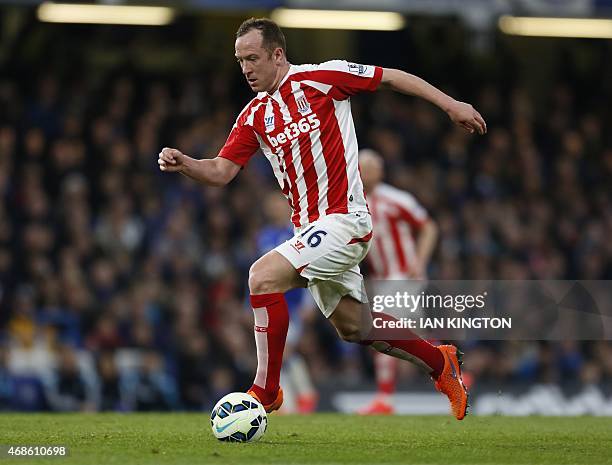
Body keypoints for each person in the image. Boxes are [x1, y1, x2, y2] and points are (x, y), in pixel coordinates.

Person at [158, 17, 486, 420]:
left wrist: (450, 105)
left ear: (277, 54)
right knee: (353, 326)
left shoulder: (322, 78)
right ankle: (440, 362)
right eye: (240, 60)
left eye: (253, 58)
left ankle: (266, 389)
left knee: (261, 276)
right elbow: (222, 171)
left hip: (345, 220)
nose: (245, 68)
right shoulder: (253, 116)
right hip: (311, 231)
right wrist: (186, 163)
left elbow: (392, 78)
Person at [358, 149, 439, 415]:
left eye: (371, 167)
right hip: (383, 280)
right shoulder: (354, 202)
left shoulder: (396, 199)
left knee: (382, 329)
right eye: (362, 167)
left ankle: (384, 398)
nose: (366, 172)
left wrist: (420, 260)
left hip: (403, 276)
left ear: (380, 171)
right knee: (414, 335)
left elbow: (429, 227)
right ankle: (453, 368)